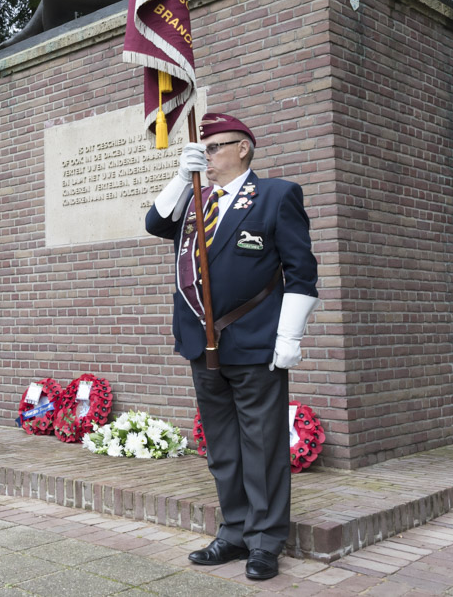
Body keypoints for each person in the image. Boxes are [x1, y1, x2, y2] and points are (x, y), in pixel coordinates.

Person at [144, 113, 319, 581]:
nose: (208, 154)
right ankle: (235, 531)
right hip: (202, 343)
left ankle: (265, 542)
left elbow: (302, 272)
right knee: (222, 447)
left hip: (255, 341)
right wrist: (182, 176)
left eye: (217, 146)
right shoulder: (195, 199)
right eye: (204, 147)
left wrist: (290, 337)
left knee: (262, 446)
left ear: (244, 148)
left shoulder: (276, 196)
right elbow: (154, 223)